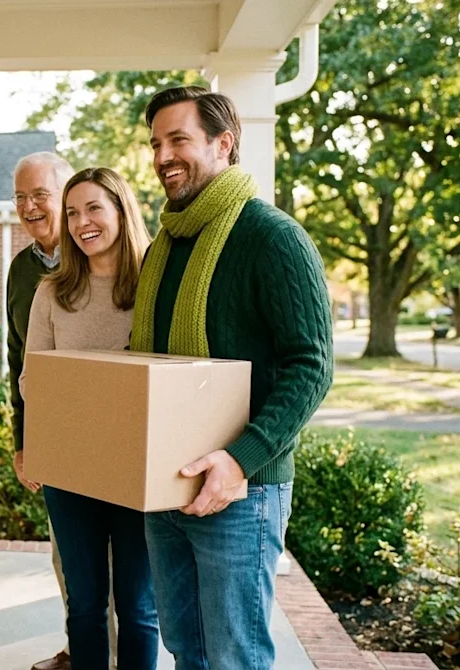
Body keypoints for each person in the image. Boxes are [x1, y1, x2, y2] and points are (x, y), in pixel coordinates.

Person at [132, 86, 333, 670]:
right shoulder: (164, 249)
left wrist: (240, 458)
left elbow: (312, 365)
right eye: (156, 143)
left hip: (242, 490)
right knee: (187, 649)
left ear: (224, 144)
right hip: (167, 486)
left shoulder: (272, 238)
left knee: (234, 658)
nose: (164, 155)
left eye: (179, 140)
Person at [21, 167, 158, 670]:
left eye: (94, 208)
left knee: (139, 609)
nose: (81, 223)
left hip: (137, 469)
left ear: (122, 209)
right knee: (84, 607)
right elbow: (32, 379)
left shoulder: (156, 286)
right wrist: (39, 444)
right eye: (72, 212)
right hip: (71, 469)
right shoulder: (53, 292)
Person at [5, 151, 94, 670]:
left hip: (108, 430)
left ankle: (112, 657)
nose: (30, 207)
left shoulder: (99, 255)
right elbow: (18, 361)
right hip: (55, 438)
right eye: (20, 197)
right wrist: (23, 441)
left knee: (116, 563)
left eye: (40, 194)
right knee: (69, 558)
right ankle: (83, 650)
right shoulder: (22, 270)